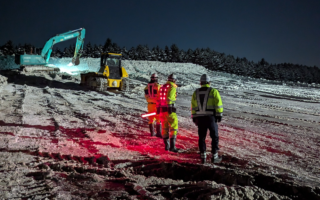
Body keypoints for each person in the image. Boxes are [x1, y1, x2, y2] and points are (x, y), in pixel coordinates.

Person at [191, 74, 223, 164]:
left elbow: (193, 106)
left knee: (201, 137)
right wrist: (219, 115)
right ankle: (214, 156)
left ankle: (203, 157)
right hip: (211, 118)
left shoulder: (196, 92)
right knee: (214, 136)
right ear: (209, 82)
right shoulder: (213, 91)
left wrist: (194, 117)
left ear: (200, 82)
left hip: (200, 119)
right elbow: (218, 104)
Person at [157, 74, 179, 152]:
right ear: (174, 80)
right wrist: (170, 107)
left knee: (164, 128)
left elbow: (159, 98)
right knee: (174, 127)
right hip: (170, 110)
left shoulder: (163, 87)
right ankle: (172, 147)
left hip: (162, 110)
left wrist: (158, 108)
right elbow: (169, 98)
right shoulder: (172, 87)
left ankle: (167, 146)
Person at [144, 73, 162, 137]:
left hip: (149, 105)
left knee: (151, 119)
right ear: (156, 79)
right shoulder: (158, 86)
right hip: (157, 105)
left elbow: (146, 96)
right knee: (158, 119)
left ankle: (152, 133)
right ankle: (158, 133)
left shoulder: (147, 86)